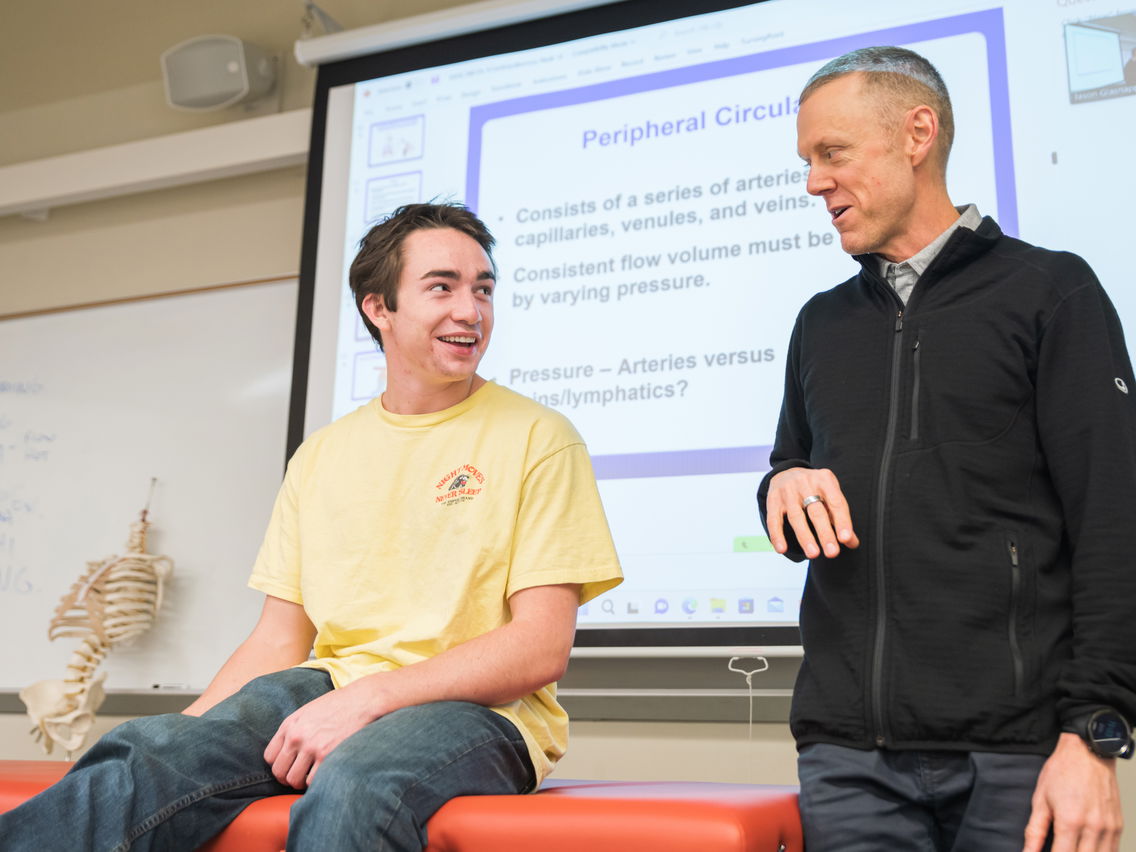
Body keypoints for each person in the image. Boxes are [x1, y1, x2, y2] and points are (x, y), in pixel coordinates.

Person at [0, 202, 623, 851]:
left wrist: (370, 699)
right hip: (327, 689)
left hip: (482, 714)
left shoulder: (540, 438)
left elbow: (539, 647)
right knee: (148, 748)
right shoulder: (322, 455)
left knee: (356, 780)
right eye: (442, 287)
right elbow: (278, 640)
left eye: (483, 289)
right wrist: (180, 739)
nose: (471, 310)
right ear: (378, 308)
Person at [758, 46, 1136, 852]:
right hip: (847, 756)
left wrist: (1096, 735)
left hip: (1018, 755)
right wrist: (781, 486)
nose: (813, 182)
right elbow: (789, 469)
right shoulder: (820, 323)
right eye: (807, 161)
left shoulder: (1050, 292)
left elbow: (1116, 523)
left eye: (832, 154)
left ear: (917, 134)